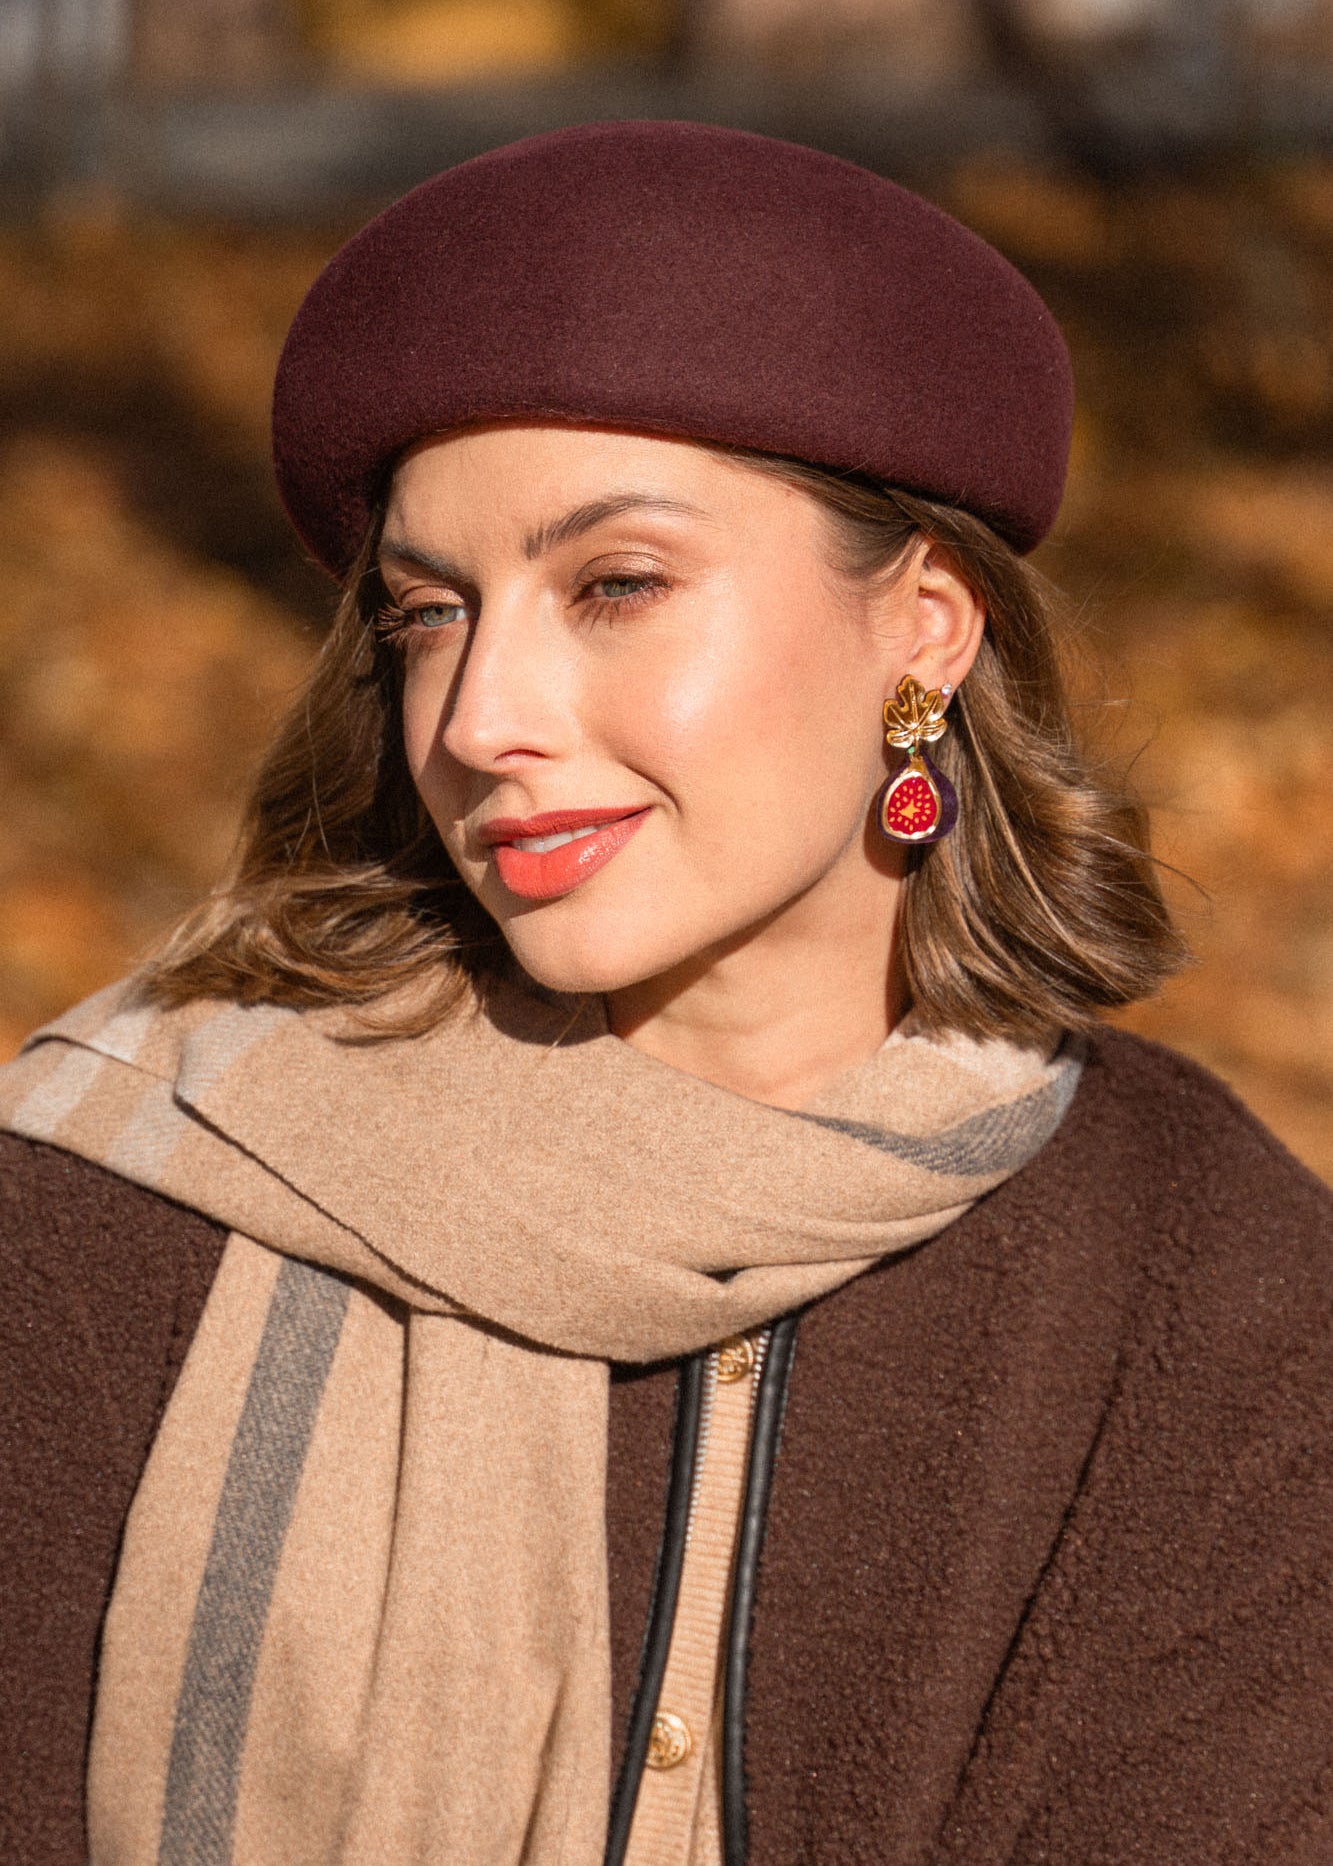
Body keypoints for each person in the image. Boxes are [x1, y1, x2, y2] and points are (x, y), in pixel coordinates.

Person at [1, 119, 1329, 1866]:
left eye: (614, 585)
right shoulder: (113, 1207)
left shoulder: (1203, 1286)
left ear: (925, 626)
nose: (479, 721)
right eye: (427, 616)